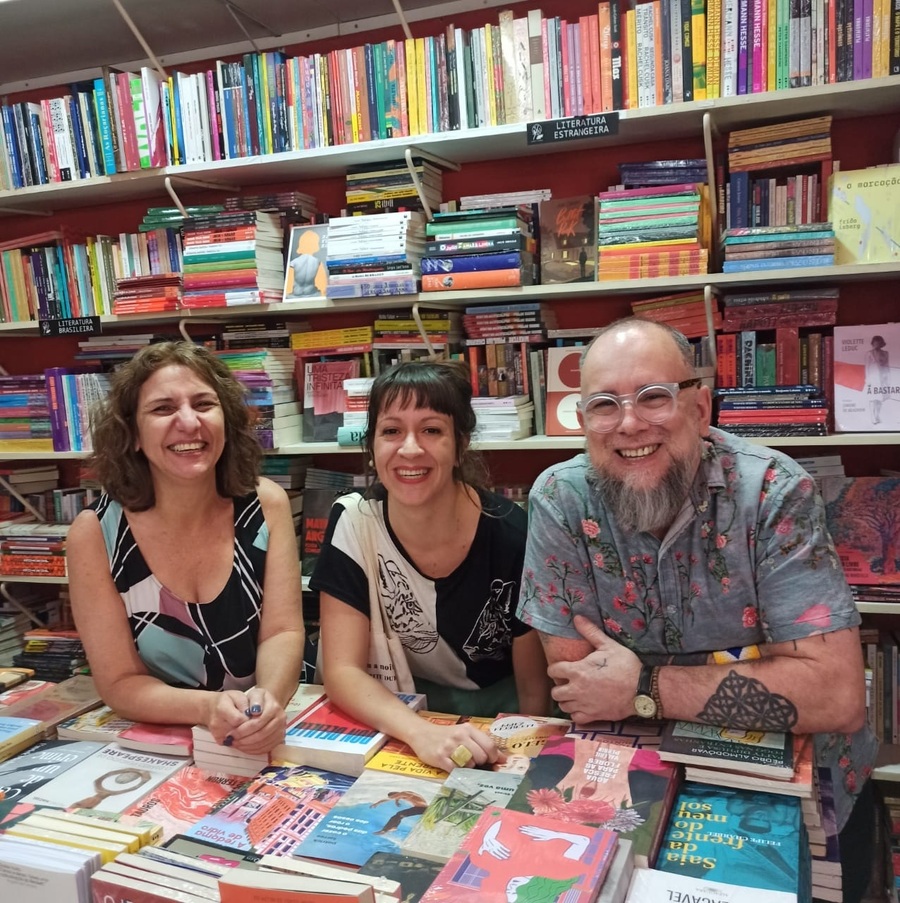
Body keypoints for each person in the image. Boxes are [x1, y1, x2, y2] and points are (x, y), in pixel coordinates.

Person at [516, 318, 878, 903]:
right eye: (604, 405)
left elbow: (834, 696)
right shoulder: (559, 501)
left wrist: (645, 685)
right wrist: (765, 675)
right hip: (630, 789)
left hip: (795, 799)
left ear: (700, 407)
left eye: (654, 397)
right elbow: (582, 686)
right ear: (582, 423)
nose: (629, 423)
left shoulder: (774, 493)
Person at [310, 359, 551, 773]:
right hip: (395, 708)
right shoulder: (354, 522)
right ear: (372, 446)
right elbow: (342, 670)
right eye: (391, 431)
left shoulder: (512, 533)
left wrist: (514, 766)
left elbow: (535, 691)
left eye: (431, 430)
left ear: (460, 445)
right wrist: (421, 732)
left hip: (497, 716)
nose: (409, 449)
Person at [67, 341, 304, 757]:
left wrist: (264, 702)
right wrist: (209, 707)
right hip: (173, 739)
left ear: (226, 420)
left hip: (275, 722)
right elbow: (120, 682)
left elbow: (283, 631)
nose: (189, 423)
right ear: (133, 435)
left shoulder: (266, 505)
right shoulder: (94, 535)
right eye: (162, 409)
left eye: (204, 404)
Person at [866, 334, 890, 424]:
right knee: (872, 398)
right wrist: (867, 379)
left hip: (882, 377)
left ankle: (877, 416)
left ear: (881, 343)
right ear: (873, 343)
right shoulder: (869, 353)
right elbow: (867, 367)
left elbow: (887, 366)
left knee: (880, 398)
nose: (877, 344)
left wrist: (887, 379)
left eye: (879, 342)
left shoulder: (885, 353)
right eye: (875, 342)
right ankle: (872, 417)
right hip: (872, 378)